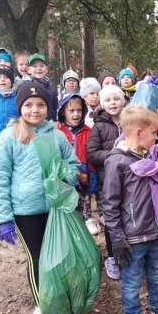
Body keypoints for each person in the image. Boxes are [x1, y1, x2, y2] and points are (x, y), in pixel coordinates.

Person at [0, 82, 81, 314]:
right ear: (20, 108)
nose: (35, 110)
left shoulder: (57, 135)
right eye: (28, 105)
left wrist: (66, 176)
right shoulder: (9, 137)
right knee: (39, 258)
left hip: (55, 208)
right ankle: (43, 308)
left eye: (40, 105)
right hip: (25, 211)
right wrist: (4, 218)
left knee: (59, 257)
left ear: (47, 108)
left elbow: (73, 164)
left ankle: (60, 305)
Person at [102, 105, 158, 314]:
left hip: (156, 233)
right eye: (154, 133)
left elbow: (154, 189)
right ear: (138, 132)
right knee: (132, 281)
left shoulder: (148, 156)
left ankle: (157, 311)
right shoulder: (117, 162)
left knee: (157, 276)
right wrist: (118, 239)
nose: (157, 137)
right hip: (133, 237)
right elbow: (110, 205)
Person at [87, 85, 126, 280]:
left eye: (116, 99)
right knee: (112, 220)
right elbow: (92, 153)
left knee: (129, 217)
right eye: (108, 100)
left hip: (130, 180)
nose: (113, 103)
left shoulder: (129, 120)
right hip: (108, 181)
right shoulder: (99, 126)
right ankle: (112, 257)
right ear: (103, 103)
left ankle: (127, 255)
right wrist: (114, 154)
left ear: (122, 101)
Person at [57, 93, 100, 236]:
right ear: (63, 111)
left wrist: (92, 177)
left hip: (84, 169)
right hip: (65, 170)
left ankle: (88, 218)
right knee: (68, 195)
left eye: (79, 110)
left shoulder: (88, 131)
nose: (76, 114)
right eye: (71, 111)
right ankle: (69, 220)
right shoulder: (57, 131)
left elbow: (91, 155)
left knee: (85, 194)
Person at [27, 53, 58, 121]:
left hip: (49, 126)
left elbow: (55, 110)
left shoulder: (52, 91)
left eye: (41, 66)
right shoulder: (26, 89)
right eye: (35, 66)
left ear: (47, 69)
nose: (38, 68)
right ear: (28, 70)